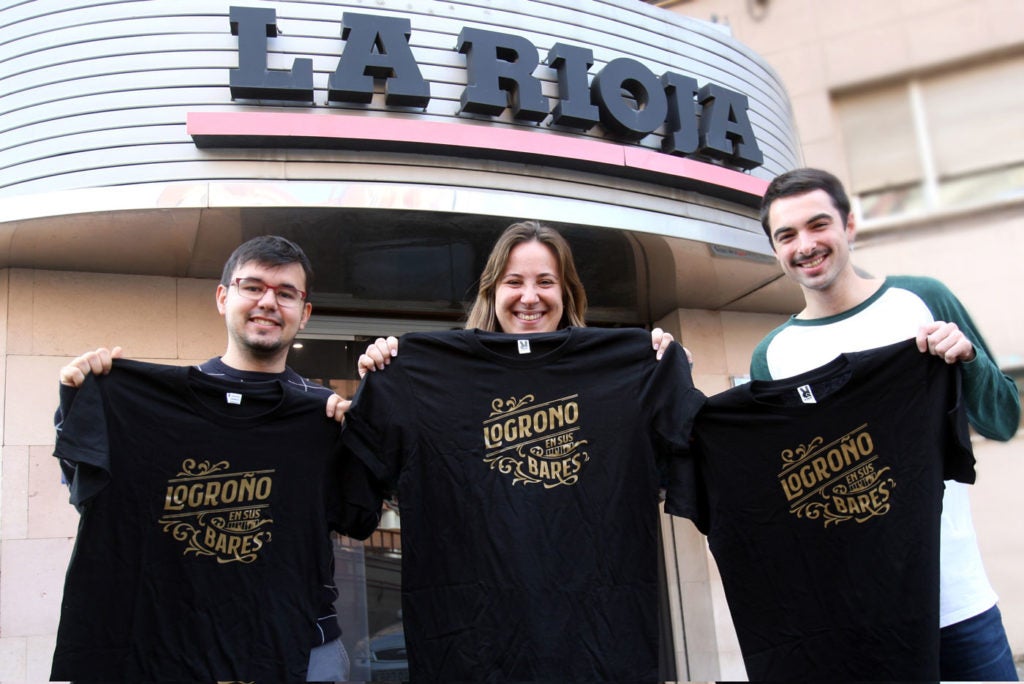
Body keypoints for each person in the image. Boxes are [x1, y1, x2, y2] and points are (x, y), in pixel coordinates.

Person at [341, 220, 704, 682]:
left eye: (545, 282)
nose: (529, 296)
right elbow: (355, 498)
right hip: (473, 653)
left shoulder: (629, 370)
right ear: (492, 291)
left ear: (567, 292)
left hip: (597, 651)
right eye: (514, 281)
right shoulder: (420, 374)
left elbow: (679, 467)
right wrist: (381, 377)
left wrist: (670, 371)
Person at [54, 235, 373, 683]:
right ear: (223, 297)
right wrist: (79, 404)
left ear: (305, 313)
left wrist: (356, 441)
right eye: (253, 286)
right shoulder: (146, 405)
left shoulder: (325, 415)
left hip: (297, 646)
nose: (268, 302)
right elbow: (86, 492)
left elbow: (357, 517)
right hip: (170, 647)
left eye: (286, 293)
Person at [750, 167, 1021, 681]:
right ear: (774, 249)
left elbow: (1004, 419)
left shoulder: (922, 300)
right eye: (786, 235)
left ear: (849, 225)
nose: (805, 245)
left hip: (958, 603)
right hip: (860, 619)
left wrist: (968, 360)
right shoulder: (773, 356)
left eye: (818, 225)